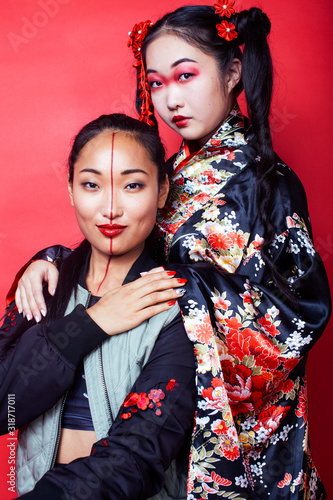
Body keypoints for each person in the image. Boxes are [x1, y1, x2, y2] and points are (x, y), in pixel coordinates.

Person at [8, 2, 331, 498]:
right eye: (156, 83)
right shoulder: (174, 172)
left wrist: (187, 287)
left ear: (233, 73)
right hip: (133, 374)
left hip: (216, 417)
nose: (169, 99)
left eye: (185, 76)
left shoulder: (267, 184)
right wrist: (52, 260)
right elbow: (120, 241)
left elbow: (300, 314)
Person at [0, 113, 197, 499]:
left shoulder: (177, 310)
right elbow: (4, 406)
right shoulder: (45, 284)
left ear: (161, 191)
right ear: (71, 189)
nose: (110, 208)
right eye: (91, 184)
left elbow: (137, 456)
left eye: (133, 185)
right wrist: (88, 325)